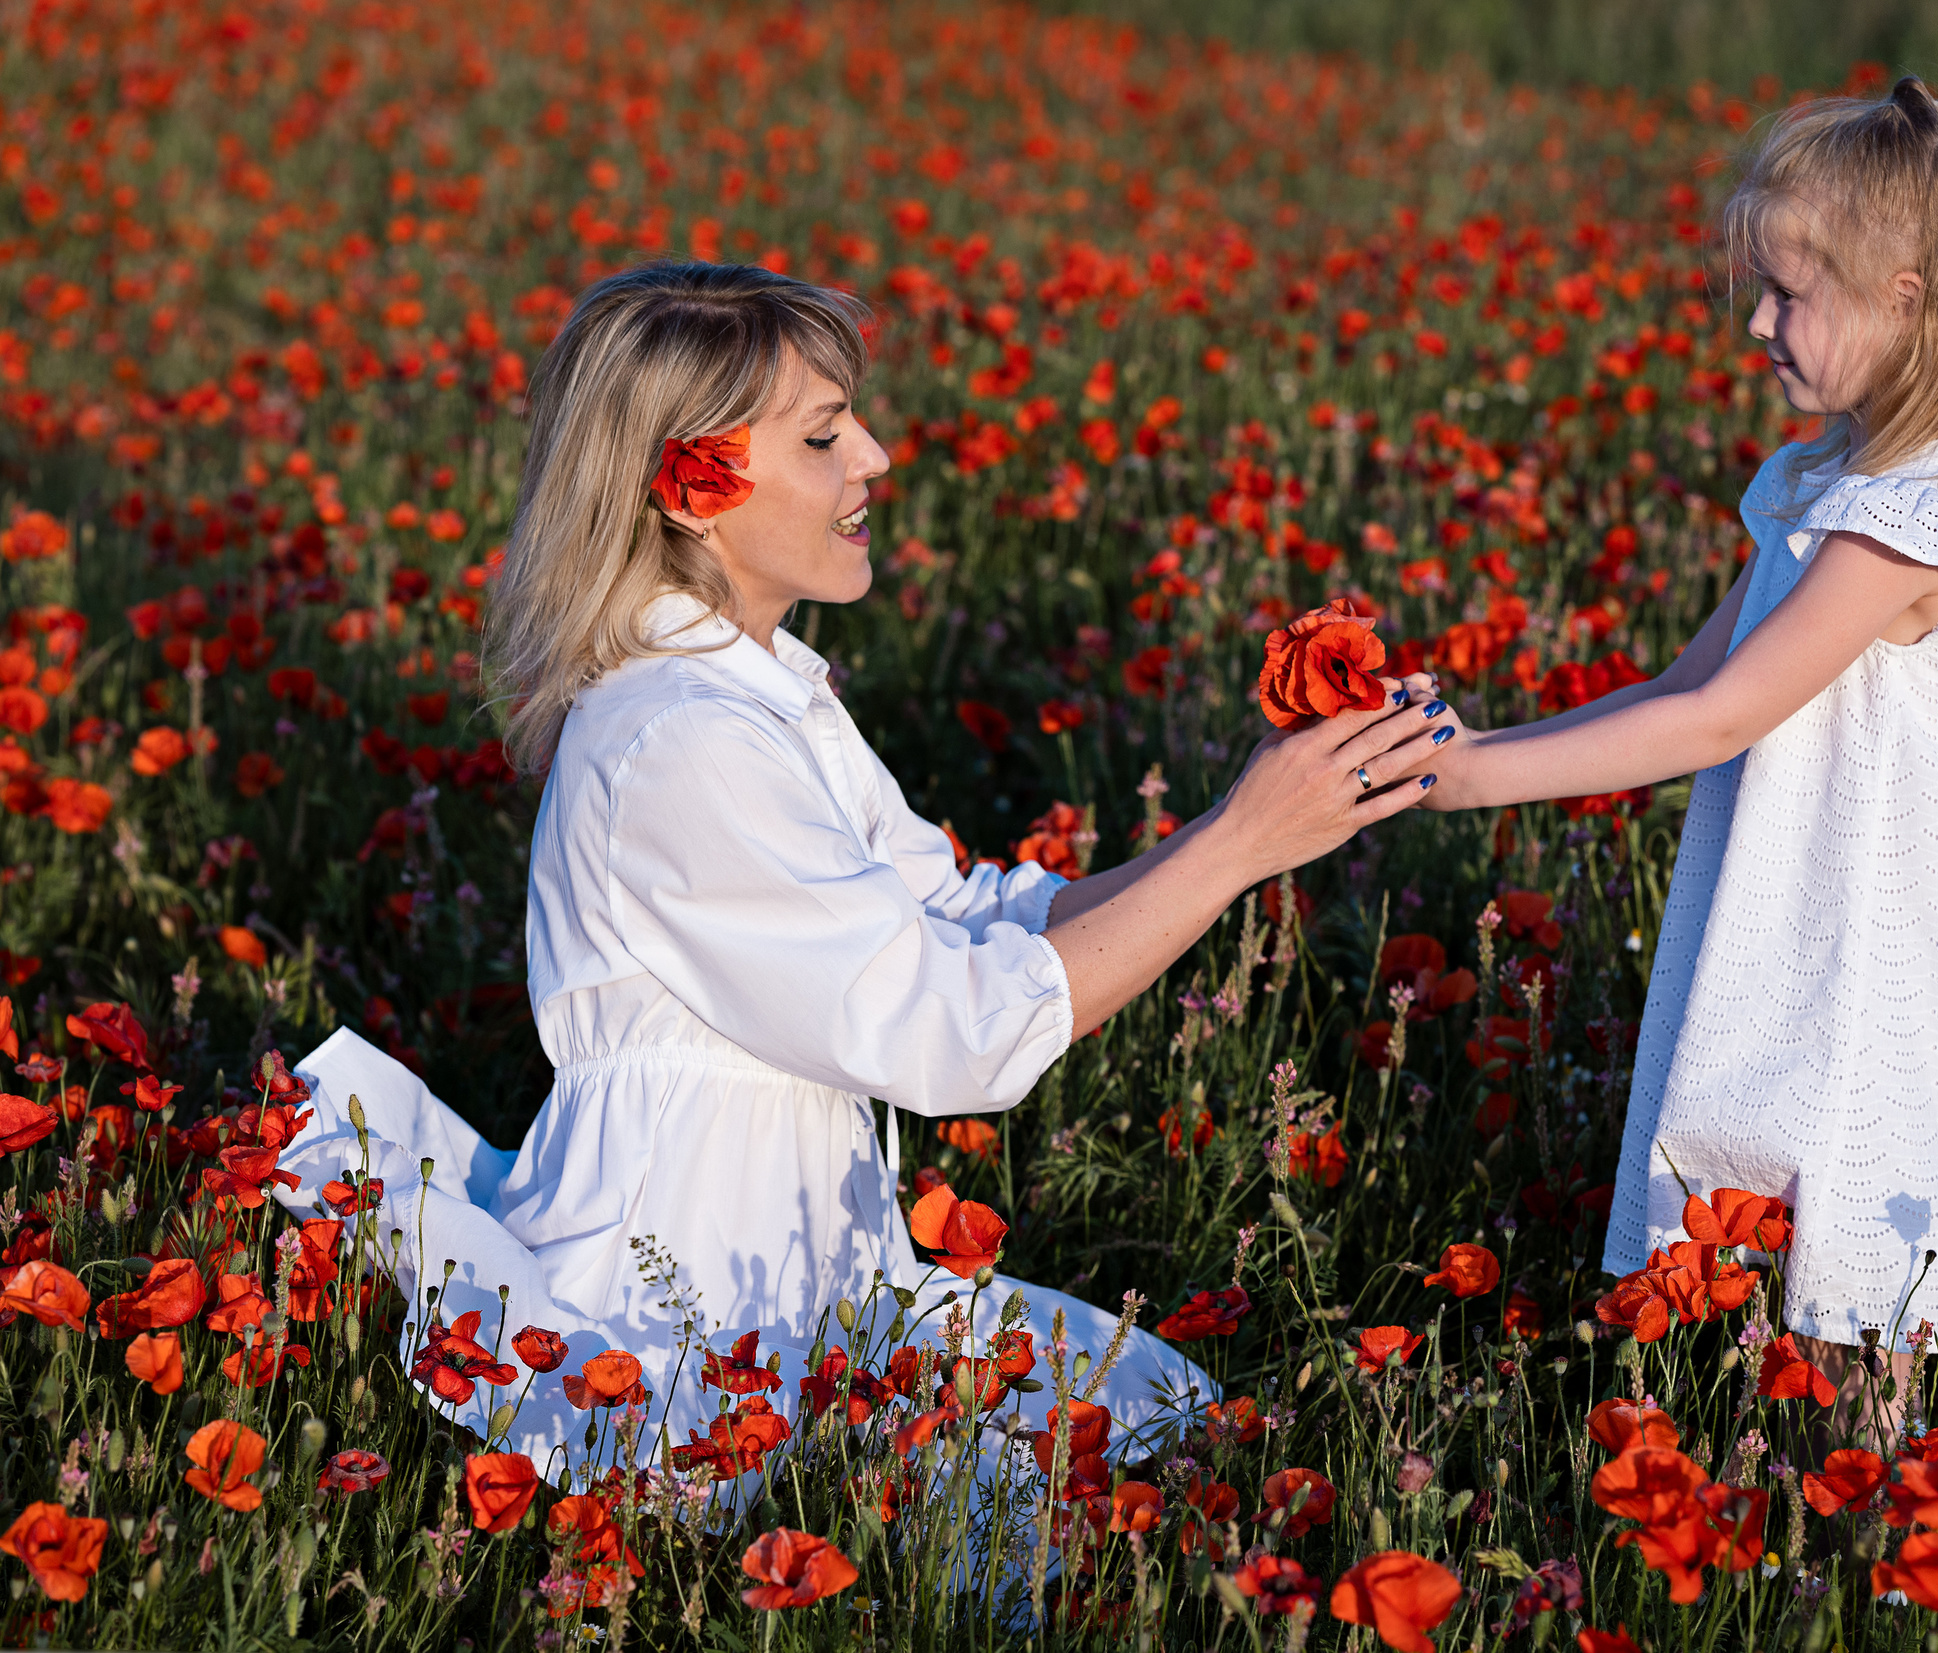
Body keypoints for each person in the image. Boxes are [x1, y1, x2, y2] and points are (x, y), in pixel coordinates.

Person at [274, 261, 1448, 1482]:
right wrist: (1240, 845)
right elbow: (952, 1035)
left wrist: (1250, 816)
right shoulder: (682, 740)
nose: (876, 458)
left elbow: (961, 917)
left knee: (1163, 1418)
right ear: (691, 487)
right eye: (825, 435)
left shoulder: (756, 694)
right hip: (685, 1314)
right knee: (1075, 1481)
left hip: (809, 1275)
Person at [1422, 78, 1938, 1446]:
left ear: (1904, 301)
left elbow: (1719, 721)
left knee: (1853, 1320)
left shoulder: (1915, 519)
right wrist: (1464, 748)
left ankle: (1873, 1532)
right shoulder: (1832, 487)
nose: (1756, 325)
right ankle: (1797, 1515)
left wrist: (1466, 781)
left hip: (1870, 974)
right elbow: (1682, 686)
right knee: (1782, 1310)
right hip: (1803, 941)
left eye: (1786, 295)